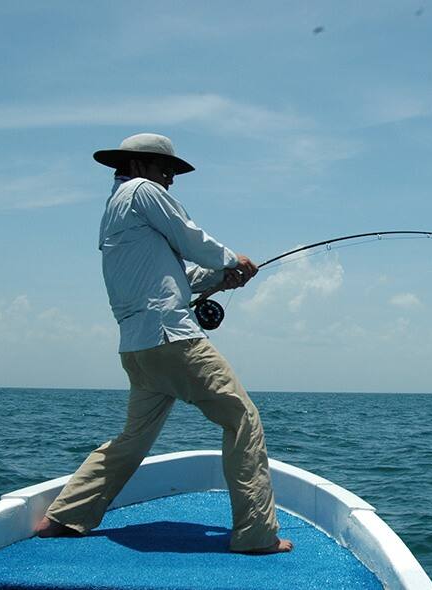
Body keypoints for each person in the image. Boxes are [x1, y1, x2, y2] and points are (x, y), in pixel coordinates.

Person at [34, 133, 293, 555]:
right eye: (165, 170)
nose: (170, 180)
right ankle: (256, 535)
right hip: (173, 340)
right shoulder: (143, 191)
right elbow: (192, 238)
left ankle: (65, 516)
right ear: (137, 166)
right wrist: (234, 261)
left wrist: (218, 277)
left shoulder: (114, 211)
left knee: (132, 439)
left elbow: (173, 279)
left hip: (138, 350)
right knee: (243, 419)